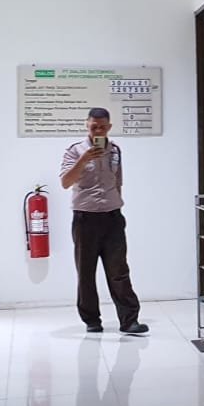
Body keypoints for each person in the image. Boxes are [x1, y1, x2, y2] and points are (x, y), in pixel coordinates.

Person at [59, 107, 148, 335]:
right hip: (85, 219)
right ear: (87, 125)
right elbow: (65, 182)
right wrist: (83, 160)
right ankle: (91, 320)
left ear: (109, 127)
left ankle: (129, 320)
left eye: (102, 127)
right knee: (86, 272)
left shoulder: (115, 150)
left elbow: (118, 181)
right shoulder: (74, 151)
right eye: (93, 127)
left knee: (119, 271)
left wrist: (117, 206)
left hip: (112, 217)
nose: (97, 131)